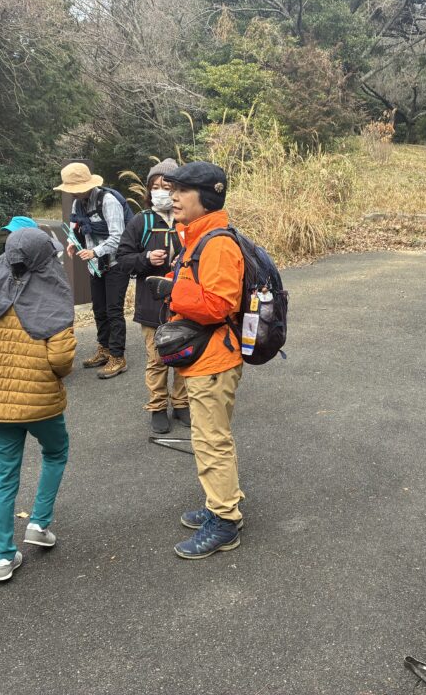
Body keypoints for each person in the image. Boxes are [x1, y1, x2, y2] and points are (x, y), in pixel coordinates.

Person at [0, 228, 77, 582]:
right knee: (56, 452)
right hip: (40, 402)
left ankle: (2, 557)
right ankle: (39, 523)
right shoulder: (52, 296)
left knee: (4, 475)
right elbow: (61, 360)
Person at [148, 161, 245, 559]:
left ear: (206, 197)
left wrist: (171, 292)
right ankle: (220, 502)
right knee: (211, 438)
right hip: (206, 356)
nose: (172, 196)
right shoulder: (196, 236)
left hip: (214, 359)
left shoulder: (217, 243)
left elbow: (220, 304)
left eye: (181, 191)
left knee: (210, 441)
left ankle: (225, 521)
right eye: (171, 190)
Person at [115, 158, 190, 435]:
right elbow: (123, 259)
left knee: (184, 354)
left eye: (167, 187)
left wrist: (184, 262)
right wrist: (146, 258)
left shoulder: (188, 220)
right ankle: (157, 406)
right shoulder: (141, 221)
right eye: (155, 187)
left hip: (185, 302)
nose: (160, 192)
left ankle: (181, 403)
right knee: (157, 359)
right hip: (151, 303)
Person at [55, 162, 130, 379]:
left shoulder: (108, 201)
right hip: (95, 266)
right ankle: (104, 349)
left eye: (75, 188)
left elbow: (119, 237)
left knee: (114, 310)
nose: (73, 192)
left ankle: (118, 357)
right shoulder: (77, 203)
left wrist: (94, 252)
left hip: (115, 264)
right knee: (99, 309)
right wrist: (72, 242)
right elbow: (75, 229)